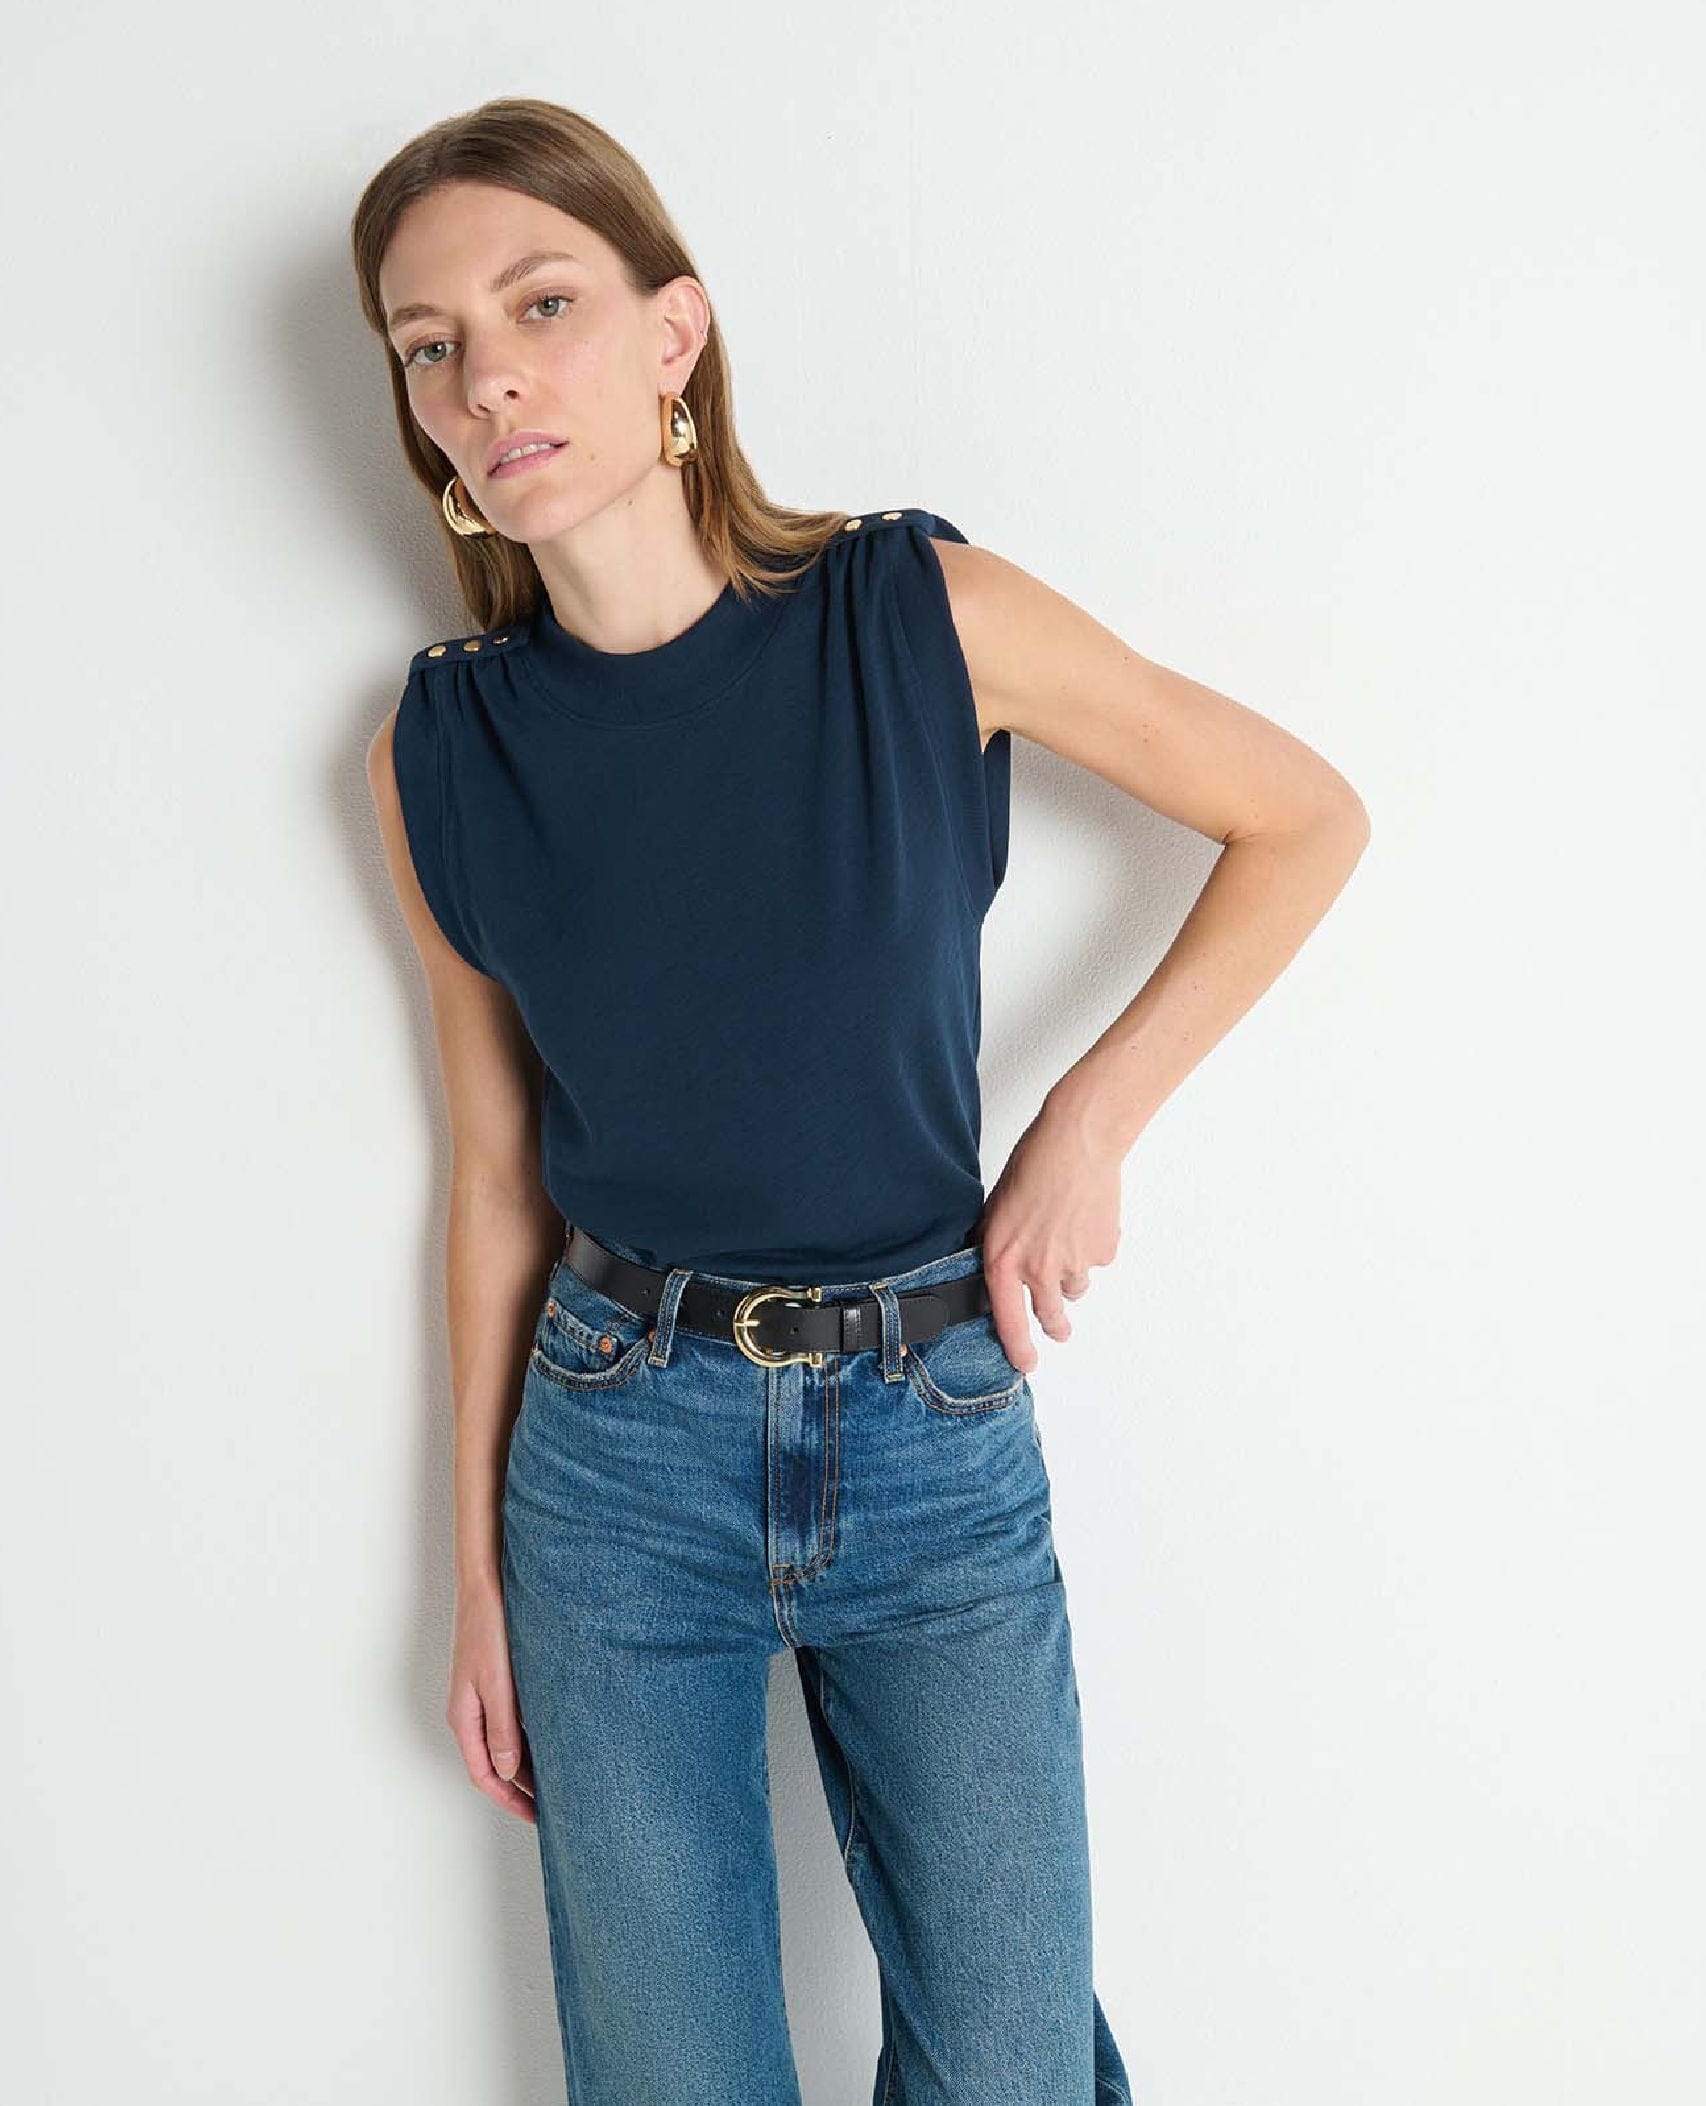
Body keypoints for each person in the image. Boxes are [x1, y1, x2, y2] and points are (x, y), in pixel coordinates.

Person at [354, 98, 1369, 2106]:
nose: (485, 380)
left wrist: (1083, 1124)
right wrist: (473, 1580)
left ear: (674, 334)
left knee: (1012, 2070)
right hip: (615, 1459)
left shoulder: (915, 616)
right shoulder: (445, 751)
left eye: (540, 306)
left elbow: (1299, 817)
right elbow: (494, 1182)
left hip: (931, 1428)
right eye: (428, 345)